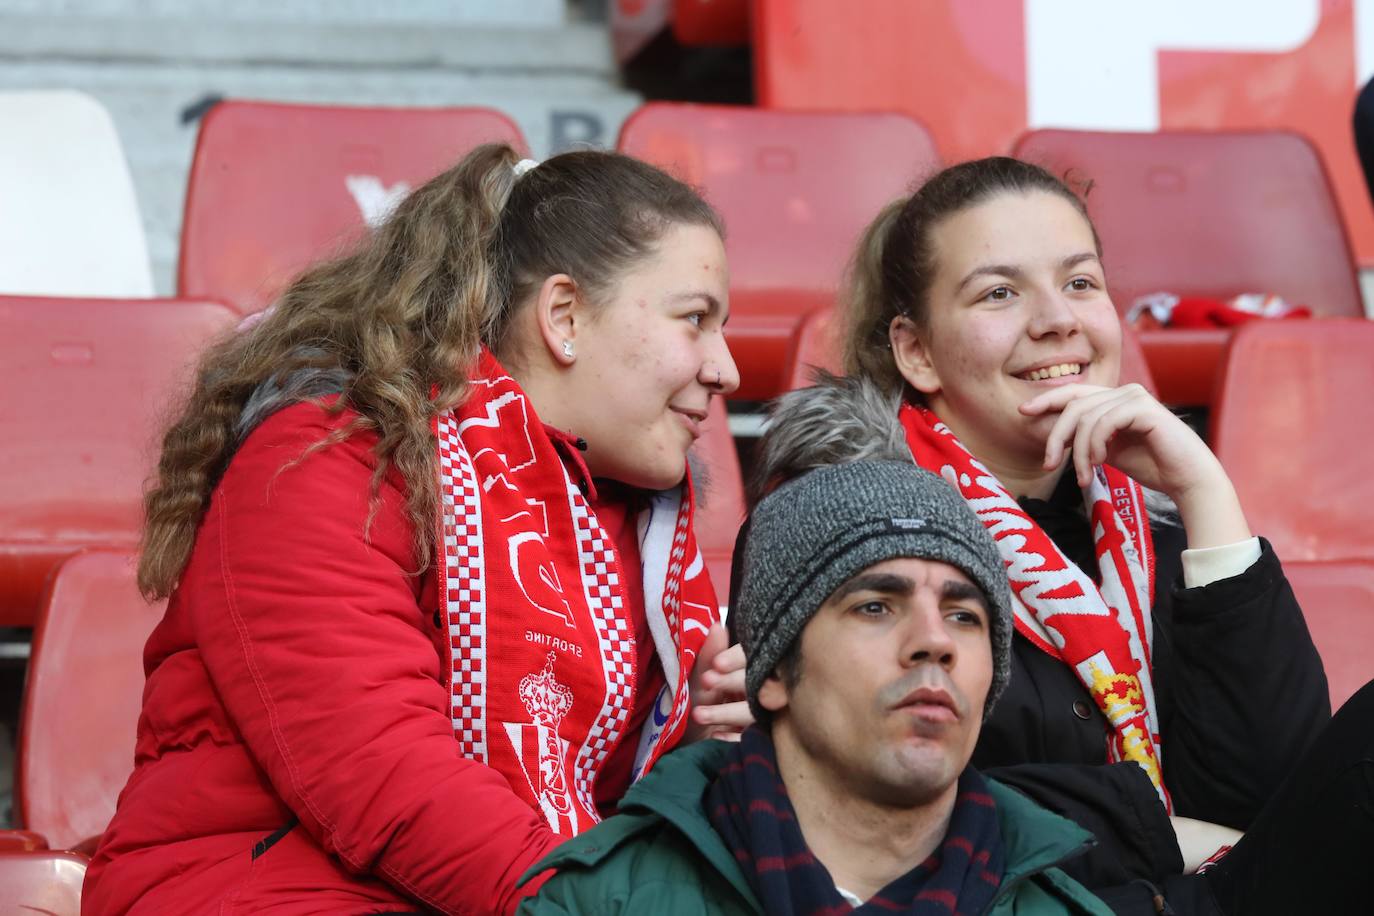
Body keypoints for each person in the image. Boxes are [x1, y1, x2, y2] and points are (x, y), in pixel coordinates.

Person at [83, 144, 751, 915]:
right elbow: (382, 771)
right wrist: (592, 903)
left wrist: (686, 748)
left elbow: (580, 807)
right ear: (564, 317)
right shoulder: (320, 459)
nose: (726, 368)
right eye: (695, 320)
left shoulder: (624, 522)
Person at [749, 157, 1373, 915]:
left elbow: (1280, 794)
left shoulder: (1154, 542)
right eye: (1000, 293)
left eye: (1080, 283)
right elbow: (884, 809)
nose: (1056, 320)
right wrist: (1169, 833)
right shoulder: (841, 538)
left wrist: (1205, 494)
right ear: (916, 351)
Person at [517, 460, 1115, 915]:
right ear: (773, 672)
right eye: (877, 606)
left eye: (966, 616)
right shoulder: (600, 901)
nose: (936, 641)